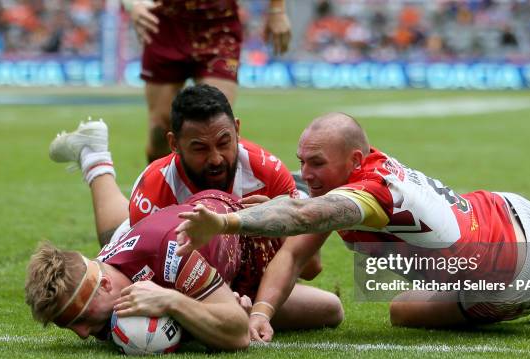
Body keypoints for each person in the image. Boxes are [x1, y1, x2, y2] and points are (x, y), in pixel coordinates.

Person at [174, 112, 530, 340]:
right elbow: (294, 252)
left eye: (316, 163)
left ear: (354, 158)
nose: (306, 174)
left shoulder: (369, 195)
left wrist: (227, 222)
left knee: (403, 311)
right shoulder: (359, 176)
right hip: (511, 207)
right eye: (302, 161)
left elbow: (301, 217)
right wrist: (261, 313)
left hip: (518, 274)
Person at [47, 85, 342, 334]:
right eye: (200, 148)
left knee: (330, 310)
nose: (216, 158)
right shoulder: (156, 187)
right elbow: (148, 280)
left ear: (237, 129)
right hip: (177, 272)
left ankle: (93, 156)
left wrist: (273, 225)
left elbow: (310, 265)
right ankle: (95, 158)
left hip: (238, 277)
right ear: (174, 143)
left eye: (224, 142)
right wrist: (209, 307)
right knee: (113, 236)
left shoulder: (267, 173)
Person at [25, 190, 341, 351]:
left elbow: (236, 335)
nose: (82, 334)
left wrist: (173, 302)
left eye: (79, 318)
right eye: (68, 326)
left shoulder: (174, 250)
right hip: (185, 258)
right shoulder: (102, 278)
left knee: (328, 305)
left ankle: (95, 159)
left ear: (105, 285)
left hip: (244, 241)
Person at [121, 0, 292, 162]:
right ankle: (160, 188)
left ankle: (215, 192)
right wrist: (133, 4)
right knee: (160, 130)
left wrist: (277, 10)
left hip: (219, 25)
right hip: (165, 24)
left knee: (216, 122)